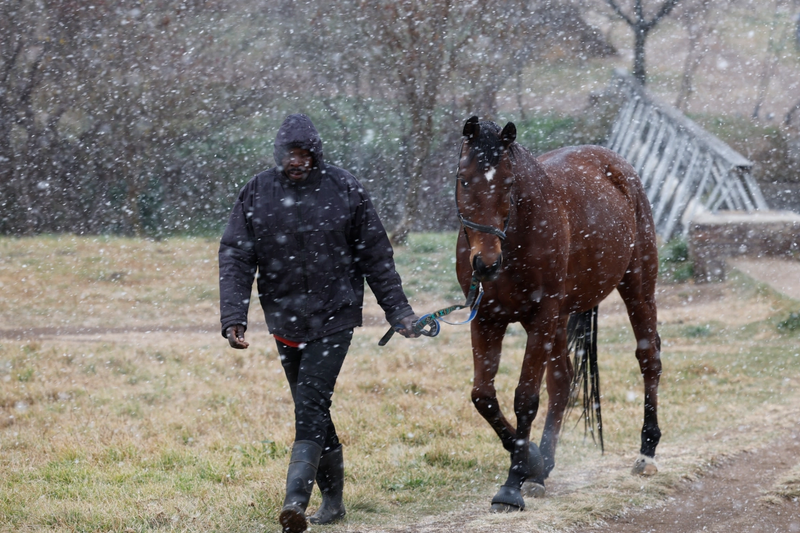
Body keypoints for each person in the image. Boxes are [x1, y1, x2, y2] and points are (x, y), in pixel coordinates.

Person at [218, 113, 419, 533]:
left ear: (316, 153)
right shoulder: (257, 192)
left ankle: (295, 501)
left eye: (304, 153)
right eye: (290, 153)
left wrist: (398, 311)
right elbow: (236, 255)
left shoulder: (344, 188)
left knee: (310, 402)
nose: (298, 160)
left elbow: (376, 256)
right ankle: (334, 501)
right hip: (283, 320)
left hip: (335, 315)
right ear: (279, 155)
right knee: (312, 406)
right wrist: (234, 315)